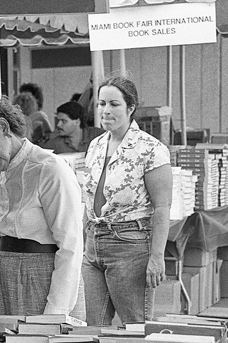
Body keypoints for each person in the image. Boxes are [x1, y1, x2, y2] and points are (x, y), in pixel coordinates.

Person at [0, 96, 83, 315]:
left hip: (43, 276)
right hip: (4, 278)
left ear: (3, 127)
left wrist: (55, 313)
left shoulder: (49, 169)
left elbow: (71, 246)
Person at [82, 75, 172, 325]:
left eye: (114, 104)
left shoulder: (151, 149)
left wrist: (157, 256)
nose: (105, 110)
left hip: (130, 245)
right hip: (93, 244)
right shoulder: (96, 145)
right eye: (101, 104)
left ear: (131, 108)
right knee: (93, 326)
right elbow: (88, 199)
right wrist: (82, 241)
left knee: (135, 325)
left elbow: (162, 207)